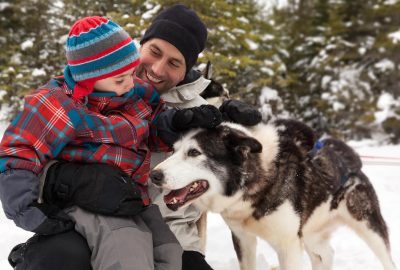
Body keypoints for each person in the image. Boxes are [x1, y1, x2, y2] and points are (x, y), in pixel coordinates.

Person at [7, 4, 262, 270]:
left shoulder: (153, 102)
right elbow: (21, 153)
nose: (158, 70)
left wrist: (222, 122)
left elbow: (224, 173)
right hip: (84, 220)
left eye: (174, 63)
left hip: (153, 221)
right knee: (73, 256)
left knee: (169, 255)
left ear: (186, 70)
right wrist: (62, 182)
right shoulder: (88, 83)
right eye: (154, 52)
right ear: (141, 45)